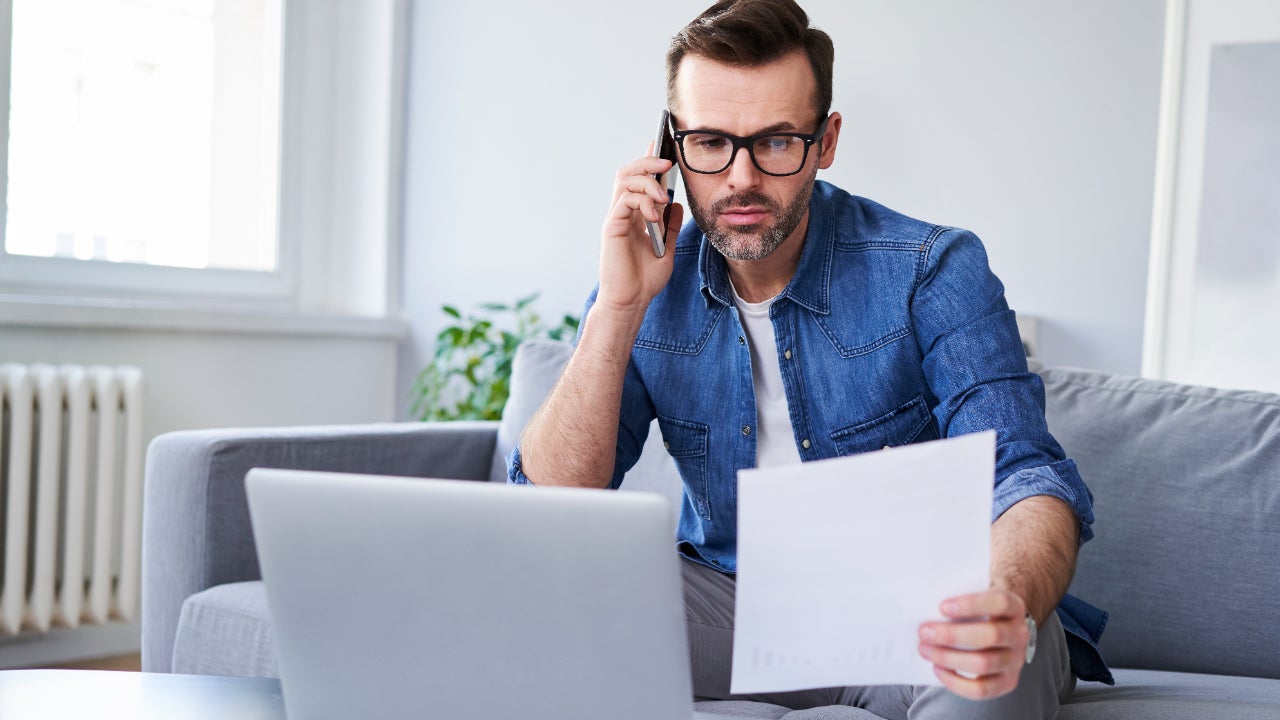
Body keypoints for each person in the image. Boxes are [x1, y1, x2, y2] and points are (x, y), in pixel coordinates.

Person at [509, 1, 1111, 717]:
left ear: (825, 141)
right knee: (529, 605)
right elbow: (554, 512)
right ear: (670, 148)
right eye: (709, 143)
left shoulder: (932, 269)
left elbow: (1027, 475)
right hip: (739, 611)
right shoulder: (649, 276)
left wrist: (1003, 604)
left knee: (988, 681)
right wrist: (616, 309)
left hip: (924, 617)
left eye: (776, 142)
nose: (739, 178)